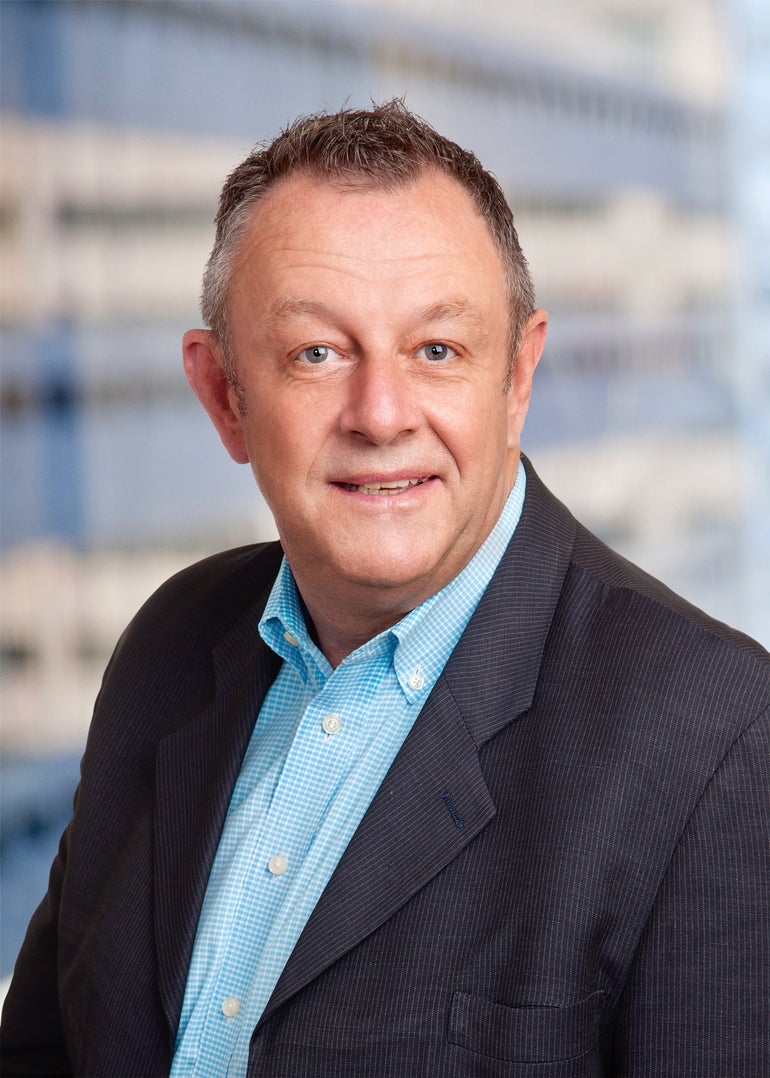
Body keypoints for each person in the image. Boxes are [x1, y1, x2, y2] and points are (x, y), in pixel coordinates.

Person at [1, 101, 768, 1078]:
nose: (380, 412)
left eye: (436, 350)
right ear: (224, 396)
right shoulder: (170, 643)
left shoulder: (711, 738)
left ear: (517, 377)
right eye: (315, 353)